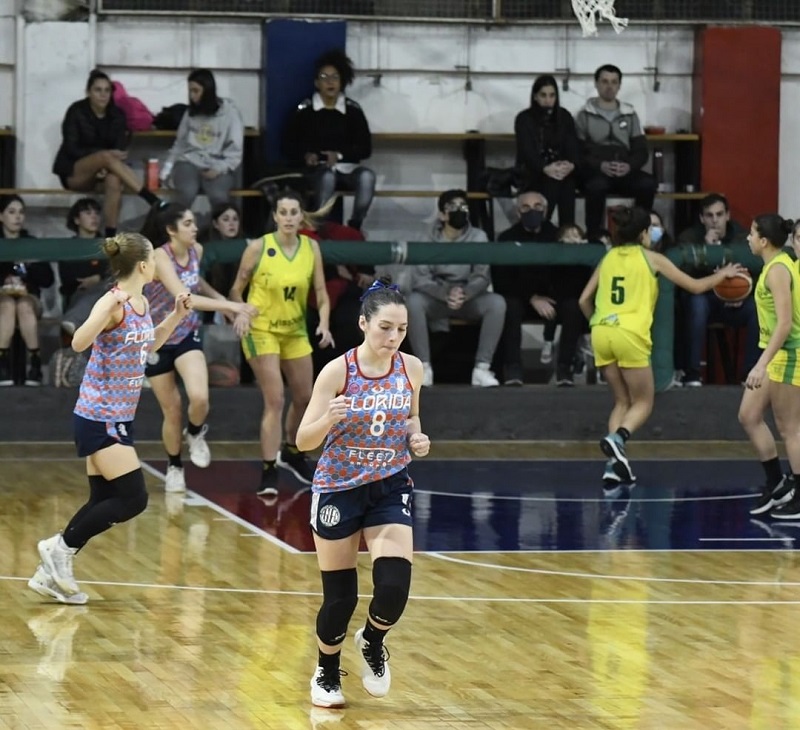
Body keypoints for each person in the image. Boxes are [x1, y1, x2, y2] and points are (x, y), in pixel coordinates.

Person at [29, 232, 192, 604]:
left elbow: (148, 344)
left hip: (119, 416)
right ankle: (59, 548)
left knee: (102, 498)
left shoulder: (142, 302)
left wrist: (175, 316)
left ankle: (49, 575)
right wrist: (103, 308)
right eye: (155, 260)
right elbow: (78, 343)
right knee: (133, 498)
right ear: (143, 265)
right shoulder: (114, 301)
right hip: (98, 416)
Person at [295, 277, 430, 708]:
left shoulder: (411, 368)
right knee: (341, 596)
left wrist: (417, 436)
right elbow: (303, 441)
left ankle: (372, 640)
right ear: (363, 325)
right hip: (338, 489)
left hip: (389, 485)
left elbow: (410, 417)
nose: (393, 338)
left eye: (401, 329)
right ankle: (327, 669)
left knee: (394, 587)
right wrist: (328, 420)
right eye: (385, 328)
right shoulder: (338, 371)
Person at [579, 206, 743, 485]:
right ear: (644, 233)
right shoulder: (652, 258)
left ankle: (614, 465)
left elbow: (584, 300)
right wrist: (723, 273)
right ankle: (618, 438)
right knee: (644, 401)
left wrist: (597, 325)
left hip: (601, 331)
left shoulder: (607, 258)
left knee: (621, 401)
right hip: (630, 334)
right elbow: (694, 286)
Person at [141, 204, 256, 493]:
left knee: (200, 398)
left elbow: (197, 283)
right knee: (172, 410)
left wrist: (223, 303)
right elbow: (185, 296)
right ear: (171, 230)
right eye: (189, 223)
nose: (195, 228)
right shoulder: (159, 256)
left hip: (185, 335)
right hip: (156, 339)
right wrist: (230, 304)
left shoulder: (198, 251)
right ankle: (174, 466)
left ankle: (194, 434)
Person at [230, 189, 333, 495]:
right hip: (261, 330)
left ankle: (292, 451)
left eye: (294, 212)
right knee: (275, 399)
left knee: (305, 397)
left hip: (295, 330)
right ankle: (268, 469)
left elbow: (322, 293)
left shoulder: (311, 248)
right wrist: (241, 311)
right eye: (283, 212)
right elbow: (236, 289)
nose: (288, 218)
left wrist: (324, 323)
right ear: (275, 216)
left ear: (301, 216)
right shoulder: (259, 248)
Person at [407, 189, 506, 387]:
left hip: (467, 296)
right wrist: (444, 293)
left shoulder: (478, 236)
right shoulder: (426, 237)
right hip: (437, 296)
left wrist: (465, 292)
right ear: (443, 214)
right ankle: (424, 367)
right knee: (413, 301)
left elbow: (482, 276)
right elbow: (420, 278)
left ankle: (482, 369)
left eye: (463, 207)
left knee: (497, 303)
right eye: (453, 208)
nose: (460, 211)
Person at [52, 69, 163, 237]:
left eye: (107, 90)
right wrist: (100, 159)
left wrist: (105, 166)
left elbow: (119, 150)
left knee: (114, 179)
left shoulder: (117, 114)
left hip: (105, 172)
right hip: (75, 172)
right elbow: (71, 148)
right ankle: (152, 199)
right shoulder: (76, 111)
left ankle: (110, 236)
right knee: (105, 156)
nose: (103, 95)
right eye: (98, 90)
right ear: (88, 92)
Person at [743, 215, 800, 519]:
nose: (748, 239)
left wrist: (760, 364)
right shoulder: (775, 266)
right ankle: (777, 483)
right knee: (749, 415)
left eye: (751, 234)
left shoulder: (778, 269)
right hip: (775, 353)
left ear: (764, 240)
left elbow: (785, 323)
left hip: (788, 353)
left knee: (790, 428)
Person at [282, 49, 375, 231]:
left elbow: (366, 148)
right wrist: (306, 156)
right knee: (327, 177)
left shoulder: (353, 110)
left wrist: (339, 155)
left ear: (342, 82)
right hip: (317, 170)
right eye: (324, 77)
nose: (330, 82)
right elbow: (287, 144)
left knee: (367, 176)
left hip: (347, 169)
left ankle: (355, 225)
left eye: (335, 77)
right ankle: (318, 225)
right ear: (317, 82)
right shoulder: (305, 110)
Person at [676, 193, 757, 386]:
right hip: (705, 298)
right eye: (709, 215)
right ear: (701, 218)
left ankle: (750, 375)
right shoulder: (688, 237)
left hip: (736, 301)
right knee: (696, 304)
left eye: (719, 214)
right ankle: (692, 374)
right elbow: (682, 275)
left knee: (759, 308)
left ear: (728, 215)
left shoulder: (741, 237)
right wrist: (706, 251)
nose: (715, 221)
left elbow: (757, 270)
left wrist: (744, 293)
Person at [575, 64, 657, 238]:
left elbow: (641, 151)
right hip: (597, 171)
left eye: (614, 82)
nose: (609, 86)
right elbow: (579, 152)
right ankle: (594, 236)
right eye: (604, 81)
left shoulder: (630, 113)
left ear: (619, 85)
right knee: (595, 187)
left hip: (624, 169)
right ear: (596, 84)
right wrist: (600, 165)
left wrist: (629, 166)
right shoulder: (584, 115)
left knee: (647, 184)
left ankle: (640, 232)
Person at [160, 69, 244, 209]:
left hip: (218, 164)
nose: (192, 96)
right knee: (186, 192)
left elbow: (235, 152)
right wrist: (166, 169)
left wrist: (219, 169)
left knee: (218, 196)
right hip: (189, 161)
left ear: (208, 91)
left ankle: (219, 229)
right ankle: (178, 228)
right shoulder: (190, 113)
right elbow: (179, 143)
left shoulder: (230, 113)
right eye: (190, 91)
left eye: (196, 91)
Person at [0, 194, 54, 386]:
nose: (17, 217)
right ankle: (2, 363)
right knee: (7, 304)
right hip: (2, 298)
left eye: (21, 212)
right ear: (1, 216)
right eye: (12, 212)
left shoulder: (31, 242)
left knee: (23, 305)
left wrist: (31, 266)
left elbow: (48, 280)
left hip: (28, 297)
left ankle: (35, 362)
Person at [514, 74, 579, 226]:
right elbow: (527, 152)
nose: (548, 100)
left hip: (560, 172)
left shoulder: (564, 116)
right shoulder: (524, 119)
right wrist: (545, 168)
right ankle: (542, 227)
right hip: (532, 172)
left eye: (552, 95)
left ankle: (567, 230)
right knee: (555, 182)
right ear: (535, 96)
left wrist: (571, 165)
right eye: (543, 95)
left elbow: (573, 146)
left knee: (566, 182)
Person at [59, 197, 108, 336]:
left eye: (96, 213)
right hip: (78, 293)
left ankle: (72, 321)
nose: (94, 217)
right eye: (88, 213)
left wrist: (98, 278)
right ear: (76, 220)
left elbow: (115, 271)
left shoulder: (108, 244)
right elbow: (69, 277)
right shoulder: (68, 247)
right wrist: (98, 276)